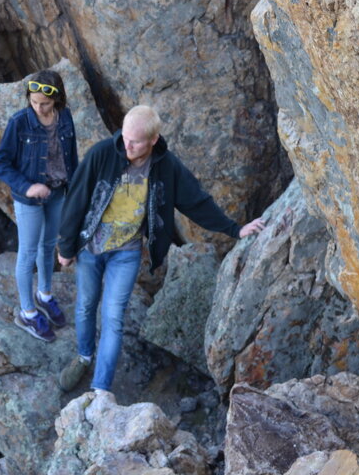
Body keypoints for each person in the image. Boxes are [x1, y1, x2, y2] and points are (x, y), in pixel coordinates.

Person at [56, 105, 265, 396]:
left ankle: (100, 390)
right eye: (125, 137)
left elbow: (196, 201)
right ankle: (84, 356)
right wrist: (66, 246)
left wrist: (234, 229)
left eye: (135, 141)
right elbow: (76, 199)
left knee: (113, 316)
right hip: (90, 247)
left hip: (126, 253)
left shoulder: (166, 167)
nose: (126, 145)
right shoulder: (103, 153)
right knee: (86, 306)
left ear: (153, 140)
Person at [0, 70, 79, 342]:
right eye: (34, 102)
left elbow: (70, 156)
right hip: (29, 199)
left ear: (57, 100)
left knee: (49, 244)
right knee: (28, 252)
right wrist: (28, 186)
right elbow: (1, 164)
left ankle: (44, 294)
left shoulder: (64, 117)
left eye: (45, 103)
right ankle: (27, 312)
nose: (39, 107)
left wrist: (75, 188)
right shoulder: (19, 122)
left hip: (58, 192)